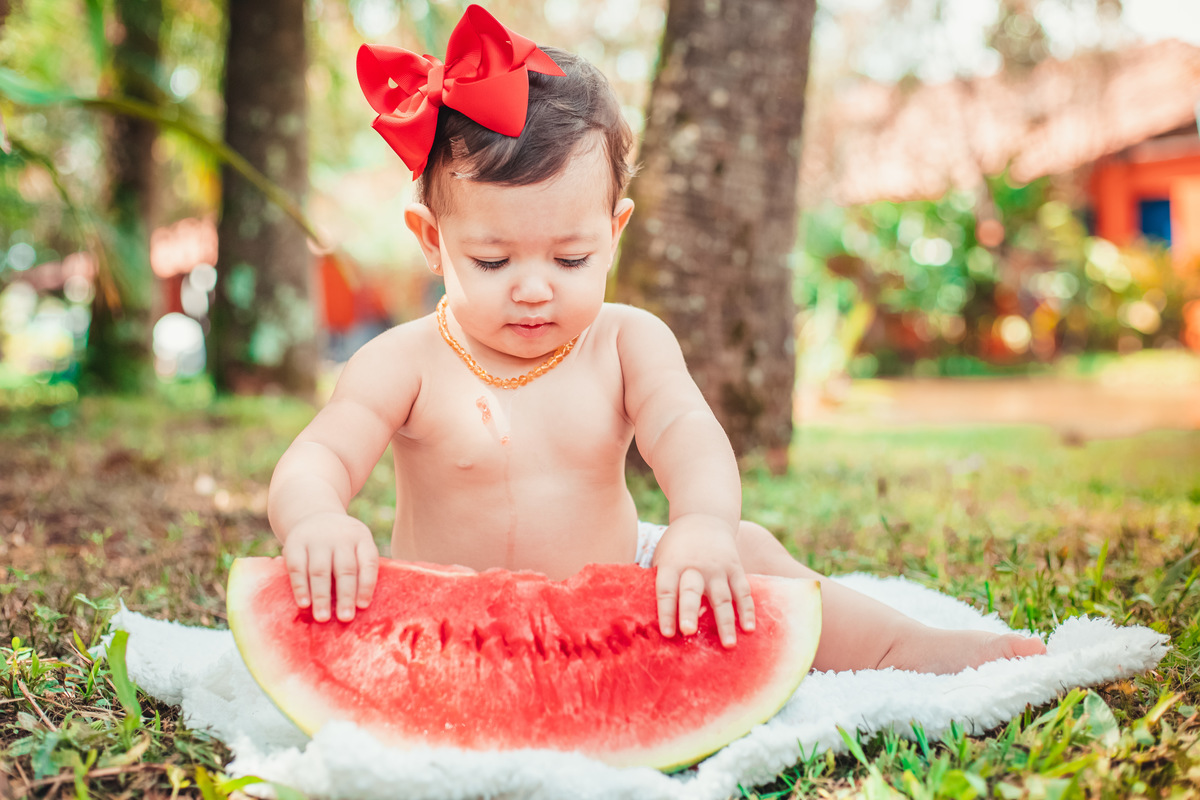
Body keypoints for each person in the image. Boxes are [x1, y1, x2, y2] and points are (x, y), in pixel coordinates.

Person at [268, 5, 1046, 674]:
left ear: (615, 232)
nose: (535, 287)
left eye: (571, 259)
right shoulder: (403, 361)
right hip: (444, 618)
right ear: (431, 241)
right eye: (493, 259)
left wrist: (701, 527)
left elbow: (688, 437)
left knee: (752, 549)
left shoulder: (626, 341)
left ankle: (898, 650)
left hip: (628, 590)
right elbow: (321, 456)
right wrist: (317, 521)